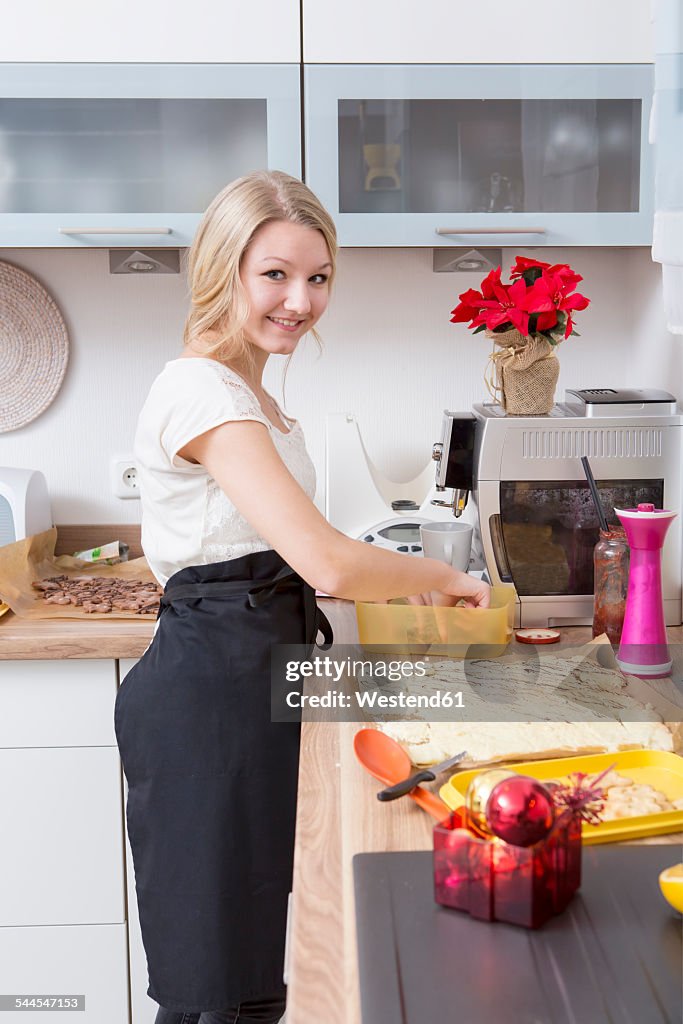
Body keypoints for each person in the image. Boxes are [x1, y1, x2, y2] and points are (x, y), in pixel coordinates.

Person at [114, 170, 490, 1024]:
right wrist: (440, 576)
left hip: (252, 682)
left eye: (318, 278)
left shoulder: (250, 394)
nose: (300, 300)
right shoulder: (202, 391)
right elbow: (327, 562)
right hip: (207, 700)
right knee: (213, 986)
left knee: (248, 976)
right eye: (275, 274)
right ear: (224, 270)